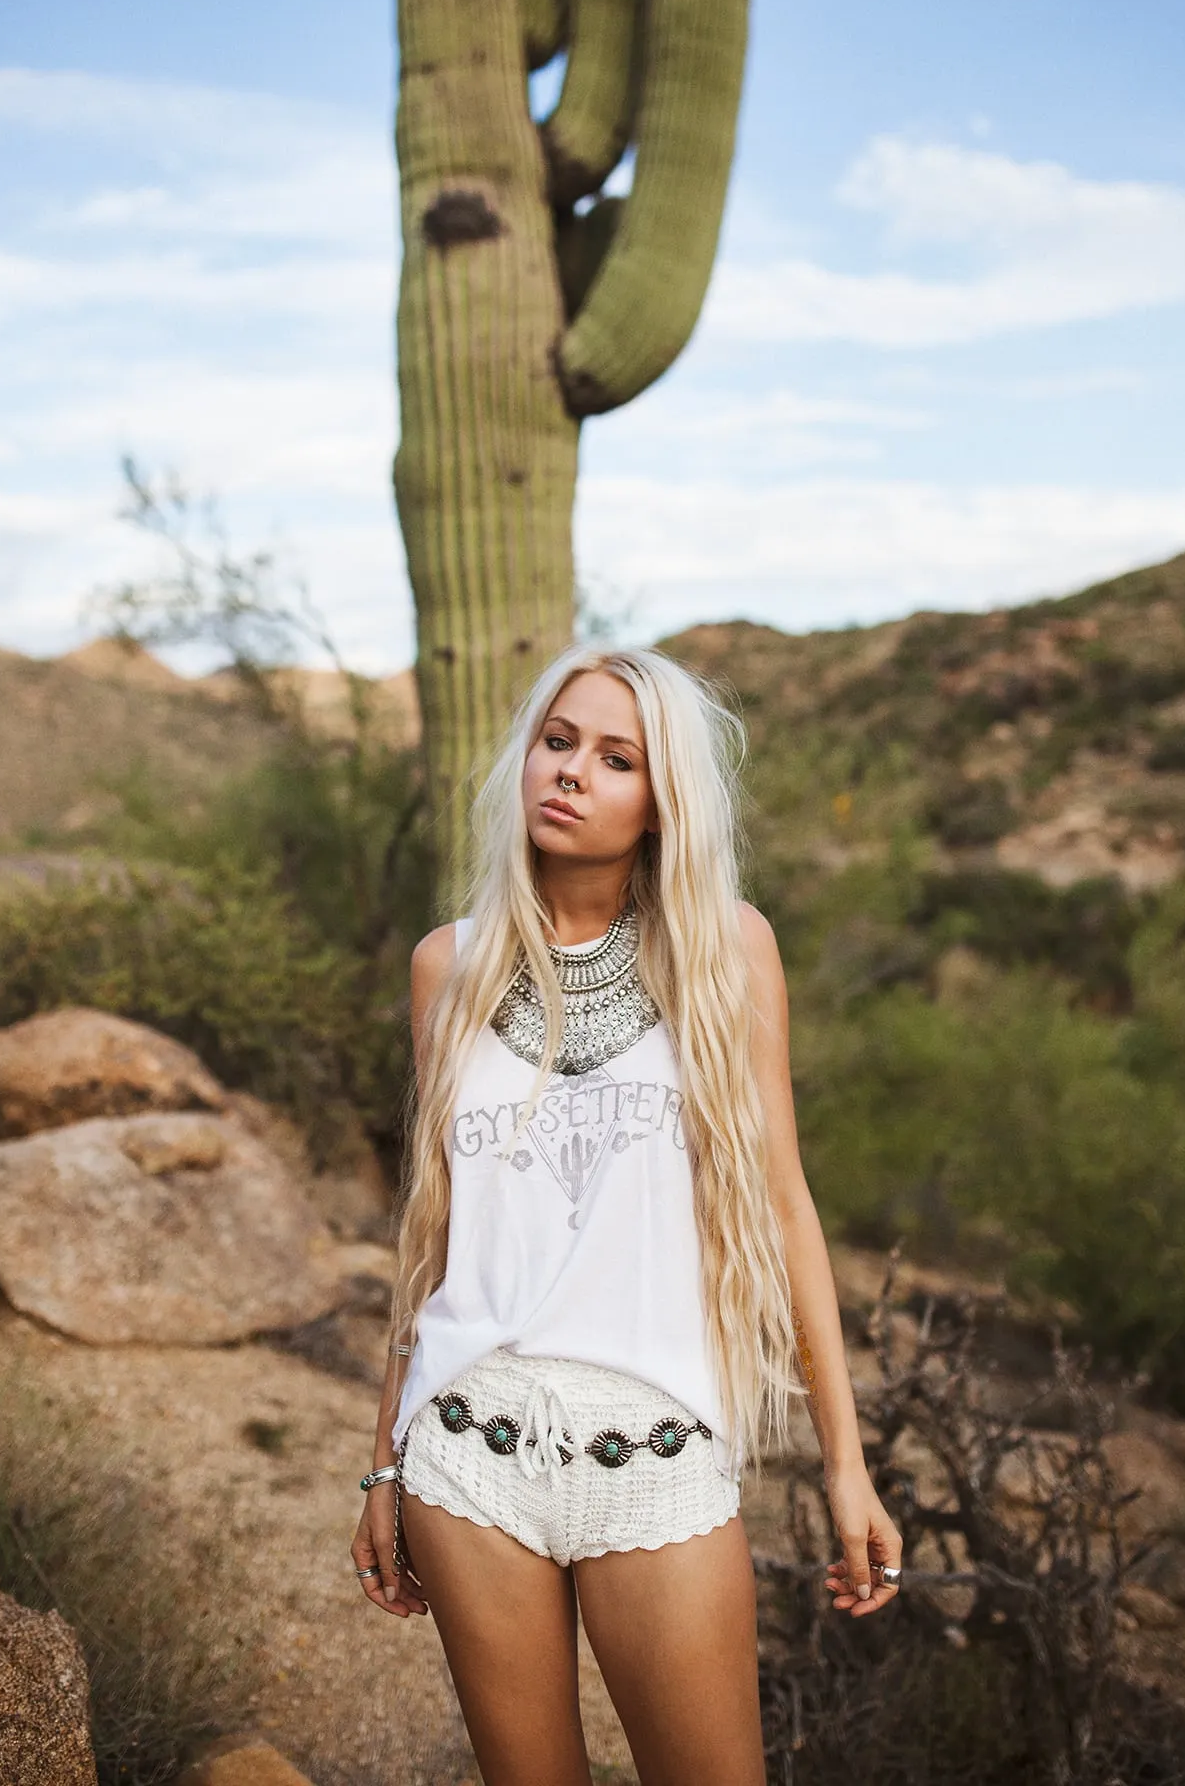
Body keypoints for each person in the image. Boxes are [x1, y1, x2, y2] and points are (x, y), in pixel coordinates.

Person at [351, 645, 902, 1786]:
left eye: (616, 758)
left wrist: (846, 1460)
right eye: (558, 742)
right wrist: (380, 1463)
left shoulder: (725, 952)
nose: (571, 772)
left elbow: (785, 1199)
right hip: (469, 1445)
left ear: (662, 804)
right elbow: (436, 1234)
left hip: (653, 1445)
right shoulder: (443, 966)